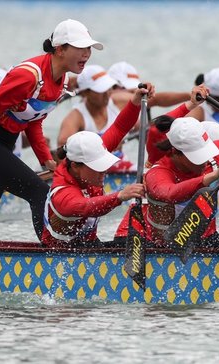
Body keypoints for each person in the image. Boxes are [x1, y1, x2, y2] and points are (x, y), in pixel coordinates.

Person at [0, 19, 102, 245]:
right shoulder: (28, 76)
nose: (87, 54)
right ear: (60, 49)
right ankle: (53, 252)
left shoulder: (61, 80)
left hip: (3, 143)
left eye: (89, 48)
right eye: (81, 48)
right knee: (39, 193)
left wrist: (45, 159)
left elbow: (34, 120)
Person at [112, 87, 219, 246]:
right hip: (152, 244)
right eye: (196, 156)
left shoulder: (214, 155)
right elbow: (169, 193)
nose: (204, 161)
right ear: (175, 152)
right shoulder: (158, 171)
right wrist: (189, 105)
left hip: (200, 241)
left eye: (204, 152)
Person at [42, 85, 153, 247]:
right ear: (75, 166)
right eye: (97, 166)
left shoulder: (90, 154)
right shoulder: (63, 193)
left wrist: (135, 101)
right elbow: (85, 206)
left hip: (90, 246)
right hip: (62, 256)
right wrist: (120, 196)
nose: (104, 171)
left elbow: (120, 127)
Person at [57, 64, 137, 172]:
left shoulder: (118, 99)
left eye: (108, 88)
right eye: (101, 90)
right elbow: (61, 152)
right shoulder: (75, 117)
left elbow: (154, 99)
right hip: (91, 171)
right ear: (85, 92)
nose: (107, 94)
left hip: (119, 164)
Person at [108, 61, 189, 108]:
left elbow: (156, 100)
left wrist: (190, 96)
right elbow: (155, 99)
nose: (134, 94)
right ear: (111, 86)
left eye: (134, 90)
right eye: (128, 89)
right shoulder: (108, 101)